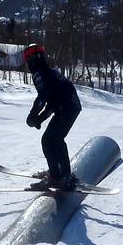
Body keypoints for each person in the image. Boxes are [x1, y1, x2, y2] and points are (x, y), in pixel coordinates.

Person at [23, 44, 82, 188]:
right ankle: (63, 173)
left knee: (48, 141)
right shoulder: (50, 72)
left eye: (27, 60)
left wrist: (32, 116)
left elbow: (43, 97)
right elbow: (53, 101)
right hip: (71, 108)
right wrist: (40, 118)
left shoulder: (39, 74)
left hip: (66, 109)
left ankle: (56, 177)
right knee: (57, 140)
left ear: (31, 60)